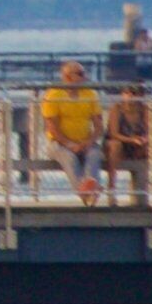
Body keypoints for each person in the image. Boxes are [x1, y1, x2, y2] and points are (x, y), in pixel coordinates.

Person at [39, 60, 109, 203]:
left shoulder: (90, 94)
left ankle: (88, 189)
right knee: (69, 158)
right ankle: (87, 192)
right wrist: (70, 144)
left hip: (85, 141)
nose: (85, 77)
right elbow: (52, 127)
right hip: (59, 143)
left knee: (95, 154)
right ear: (68, 77)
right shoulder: (53, 95)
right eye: (80, 74)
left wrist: (87, 142)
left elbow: (99, 126)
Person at [109, 74, 152, 203]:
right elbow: (113, 133)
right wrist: (131, 140)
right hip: (121, 143)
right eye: (126, 93)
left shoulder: (145, 110)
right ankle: (112, 190)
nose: (129, 96)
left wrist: (146, 139)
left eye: (134, 93)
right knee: (115, 146)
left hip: (139, 145)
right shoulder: (117, 108)